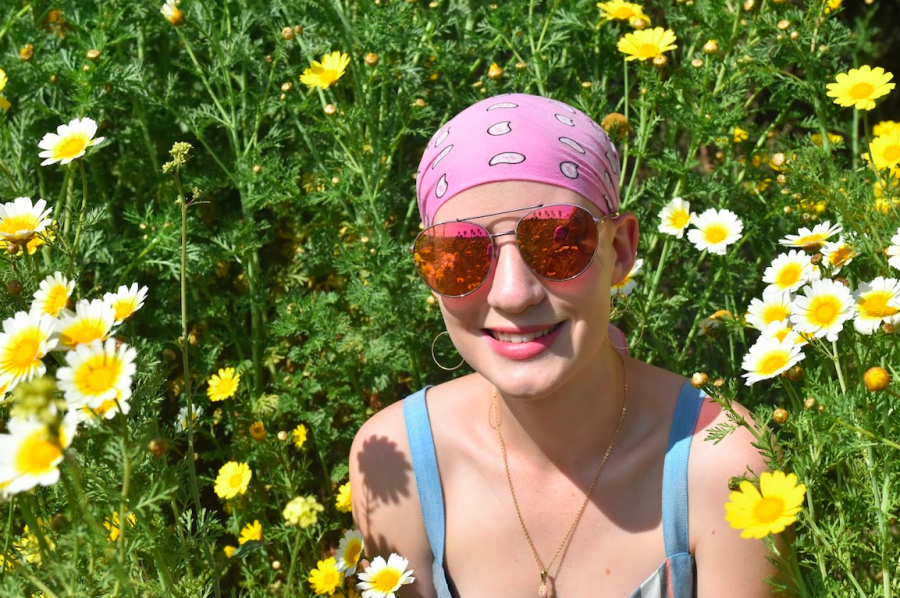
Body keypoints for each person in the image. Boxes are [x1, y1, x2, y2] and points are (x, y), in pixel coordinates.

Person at [349, 93, 781, 598]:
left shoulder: (721, 465)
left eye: (558, 241)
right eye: (460, 254)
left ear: (619, 250)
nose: (513, 293)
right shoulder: (395, 465)